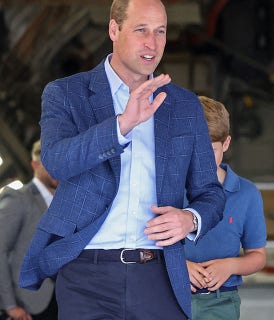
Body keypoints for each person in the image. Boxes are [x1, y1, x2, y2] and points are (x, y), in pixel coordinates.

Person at [18, 0, 226, 319]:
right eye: (141, 30)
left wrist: (190, 218)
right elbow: (57, 161)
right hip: (87, 274)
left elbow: (210, 193)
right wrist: (121, 126)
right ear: (114, 29)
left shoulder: (184, 106)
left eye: (160, 32)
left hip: (159, 275)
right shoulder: (66, 94)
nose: (152, 43)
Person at [185, 96, 267, 320]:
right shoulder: (168, 190)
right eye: (194, 150)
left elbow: (257, 256)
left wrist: (230, 266)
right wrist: (179, 266)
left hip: (222, 300)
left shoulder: (247, 193)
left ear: (226, 143)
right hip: (171, 296)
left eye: (210, 150)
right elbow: (147, 246)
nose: (201, 160)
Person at [0, 140, 58, 320]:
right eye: (50, 162)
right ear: (35, 165)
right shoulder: (19, 198)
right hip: (32, 303)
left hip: (68, 295)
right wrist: (10, 305)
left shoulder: (67, 203)